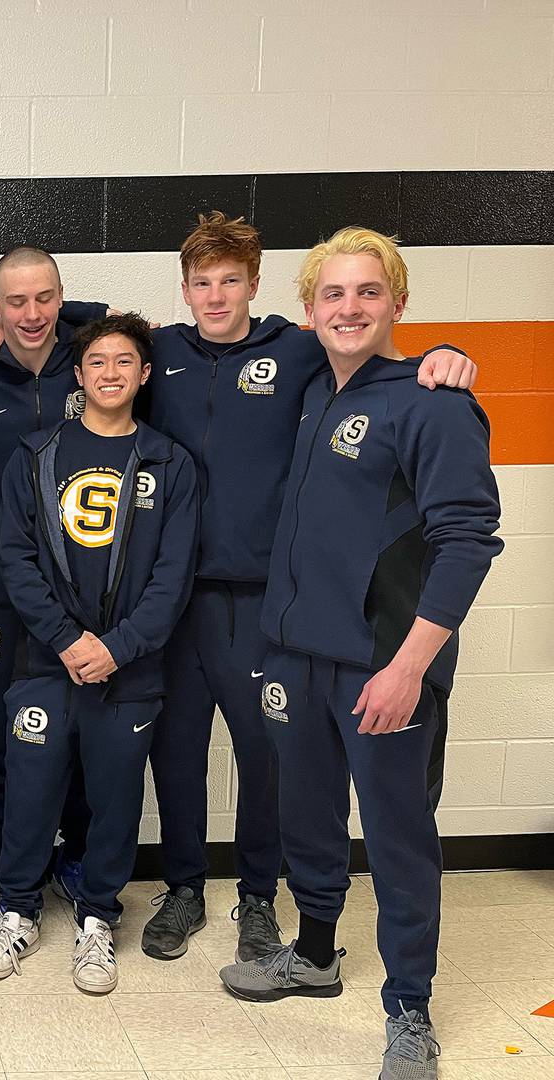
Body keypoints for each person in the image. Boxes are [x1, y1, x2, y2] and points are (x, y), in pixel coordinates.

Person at [114, 214, 479, 965]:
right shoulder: (163, 354)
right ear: (183, 291)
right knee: (177, 752)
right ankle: (183, 887)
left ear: (257, 285)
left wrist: (448, 354)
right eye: (201, 283)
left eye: (230, 281)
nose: (216, 296)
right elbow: (90, 338)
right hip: (178, 598)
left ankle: (256, 897)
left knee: (267, 757)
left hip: (266, 605)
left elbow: (380, 355)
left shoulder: (299, 348)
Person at [217, 228, 502, 1080]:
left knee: (398, 835)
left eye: (368, 292)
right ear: (309, 311)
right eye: (333, 295)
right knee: (306, 815)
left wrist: (410, 665)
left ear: (398, 303)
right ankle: (314, 953)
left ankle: (410, 1009)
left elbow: (468, 540)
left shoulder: (434, 402)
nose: (349, 308)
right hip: (297, 655)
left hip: (384, 666)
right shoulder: (314, 390)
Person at [0, 312, 197, 993]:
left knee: (115, 797)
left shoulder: (168, 462)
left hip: (129, 673)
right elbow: (15, 558)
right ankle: (17, 911)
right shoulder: (36, 455)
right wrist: (67, 640)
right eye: (97, 362)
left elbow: (172, 575)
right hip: (45, 663)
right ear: (79, 374)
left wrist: (118, 647)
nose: (110, 373)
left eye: (124, 361)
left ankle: (98, 920)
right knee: (31, 791)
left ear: (145, 374)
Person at [0, 247, 106, 878]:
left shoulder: (92, 359)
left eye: (46, 298)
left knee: (76, 734)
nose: (33, 313)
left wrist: (81, 313)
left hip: (79, 597)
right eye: (15, 301)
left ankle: (74, 863)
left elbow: (121, 329)